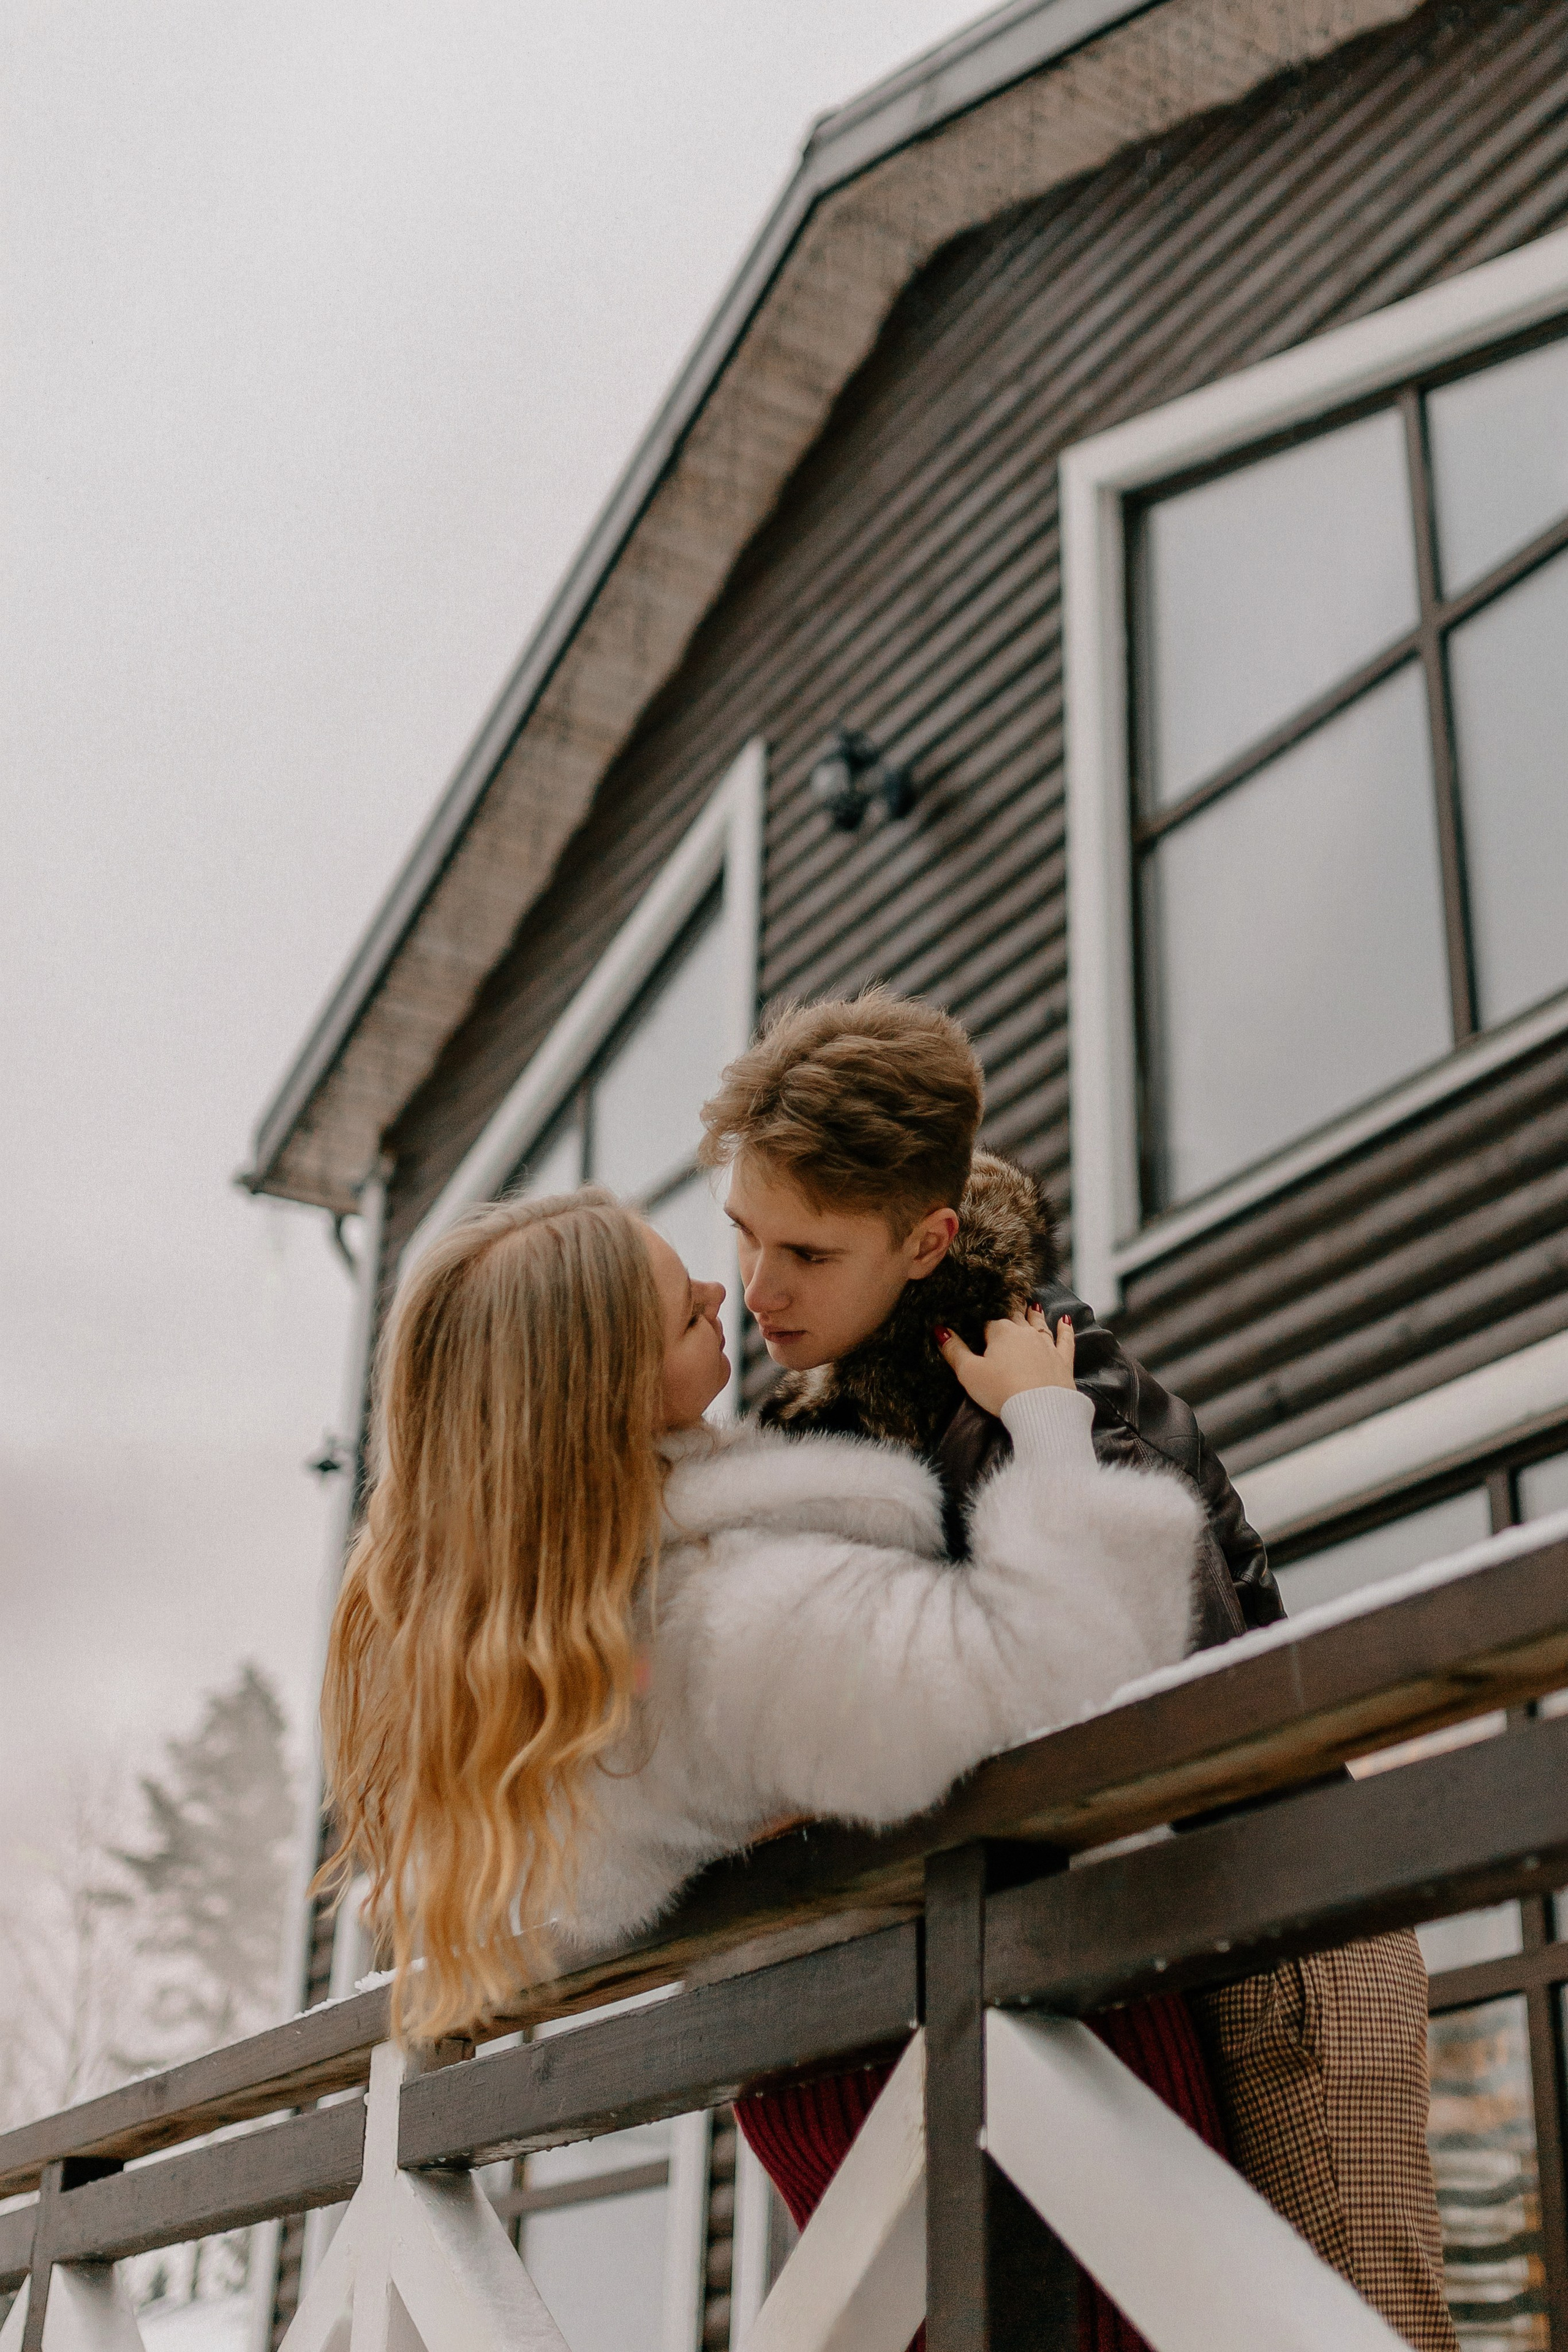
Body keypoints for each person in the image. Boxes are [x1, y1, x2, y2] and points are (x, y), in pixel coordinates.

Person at [697, 988, 1455, 2352]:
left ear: (925, 1241)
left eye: (804, 1250)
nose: (759, 1288)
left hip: (1272, 1935)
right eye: (742, 1234)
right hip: (1105, 1966)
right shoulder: (834, 1420)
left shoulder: (1050, 1391)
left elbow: (1117, 1682)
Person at [316, 1185, 1202, 2050]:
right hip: (998, 2061)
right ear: (611, 1390)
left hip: (889, 2059)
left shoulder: (592, 1628)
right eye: (681, 1308)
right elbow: (1065, 1685)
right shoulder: (734, 1618)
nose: (718, 1291)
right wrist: (1047, 1420)